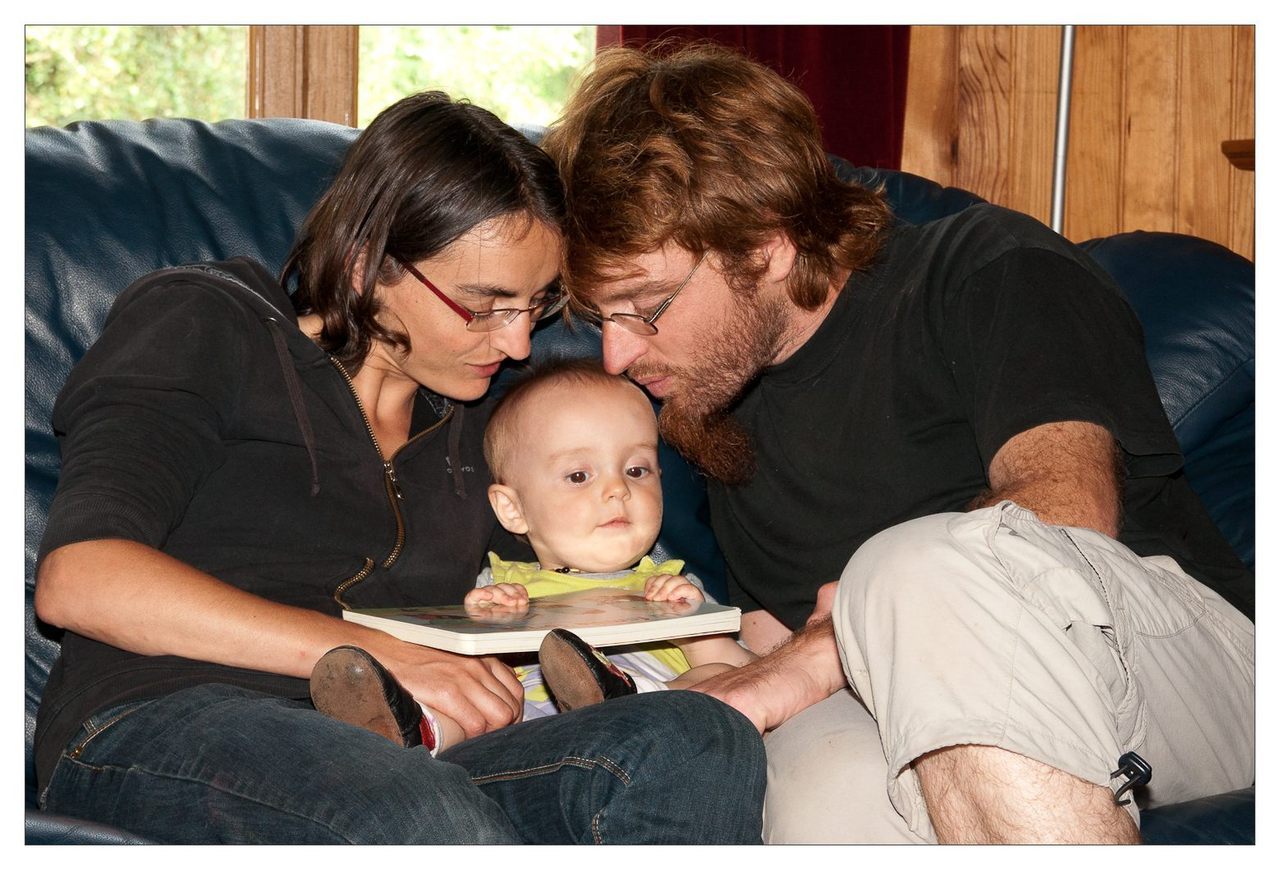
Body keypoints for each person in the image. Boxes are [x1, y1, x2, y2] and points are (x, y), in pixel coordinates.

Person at [540, 44, 1255, 844]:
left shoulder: (988, 269)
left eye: (643, 306)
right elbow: (775, 640)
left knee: (912, 569)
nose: (616, 356)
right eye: (599, 318)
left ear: (767, 246)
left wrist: (828, 647)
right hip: (909, 699)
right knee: (812, 788)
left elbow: (1064, 515)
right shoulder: (716, 402)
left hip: (1174, 663)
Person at [32, 90, 766, 844]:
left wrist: (741, 638)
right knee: (423, 812)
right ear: (366, 266)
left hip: (418, 746)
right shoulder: (209, 324)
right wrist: (381, 653)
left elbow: (574, 567)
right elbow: (81, 578)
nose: (517, 344)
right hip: (164, 717)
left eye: (536, 305)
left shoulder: (488, 427)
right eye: (485, 306)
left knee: (695, 739)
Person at [465, 357, 757, 721]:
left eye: (636, 470)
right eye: (578, 476)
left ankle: (630, 696)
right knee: (471, 692)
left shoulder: (673, 588)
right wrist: (486, 630)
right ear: (513, 509)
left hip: (655, 721)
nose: (618, 488)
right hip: (531, 726)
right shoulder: (503, 588)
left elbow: (752, 675)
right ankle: (426, 726)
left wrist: (697, 631)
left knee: (720, 674)